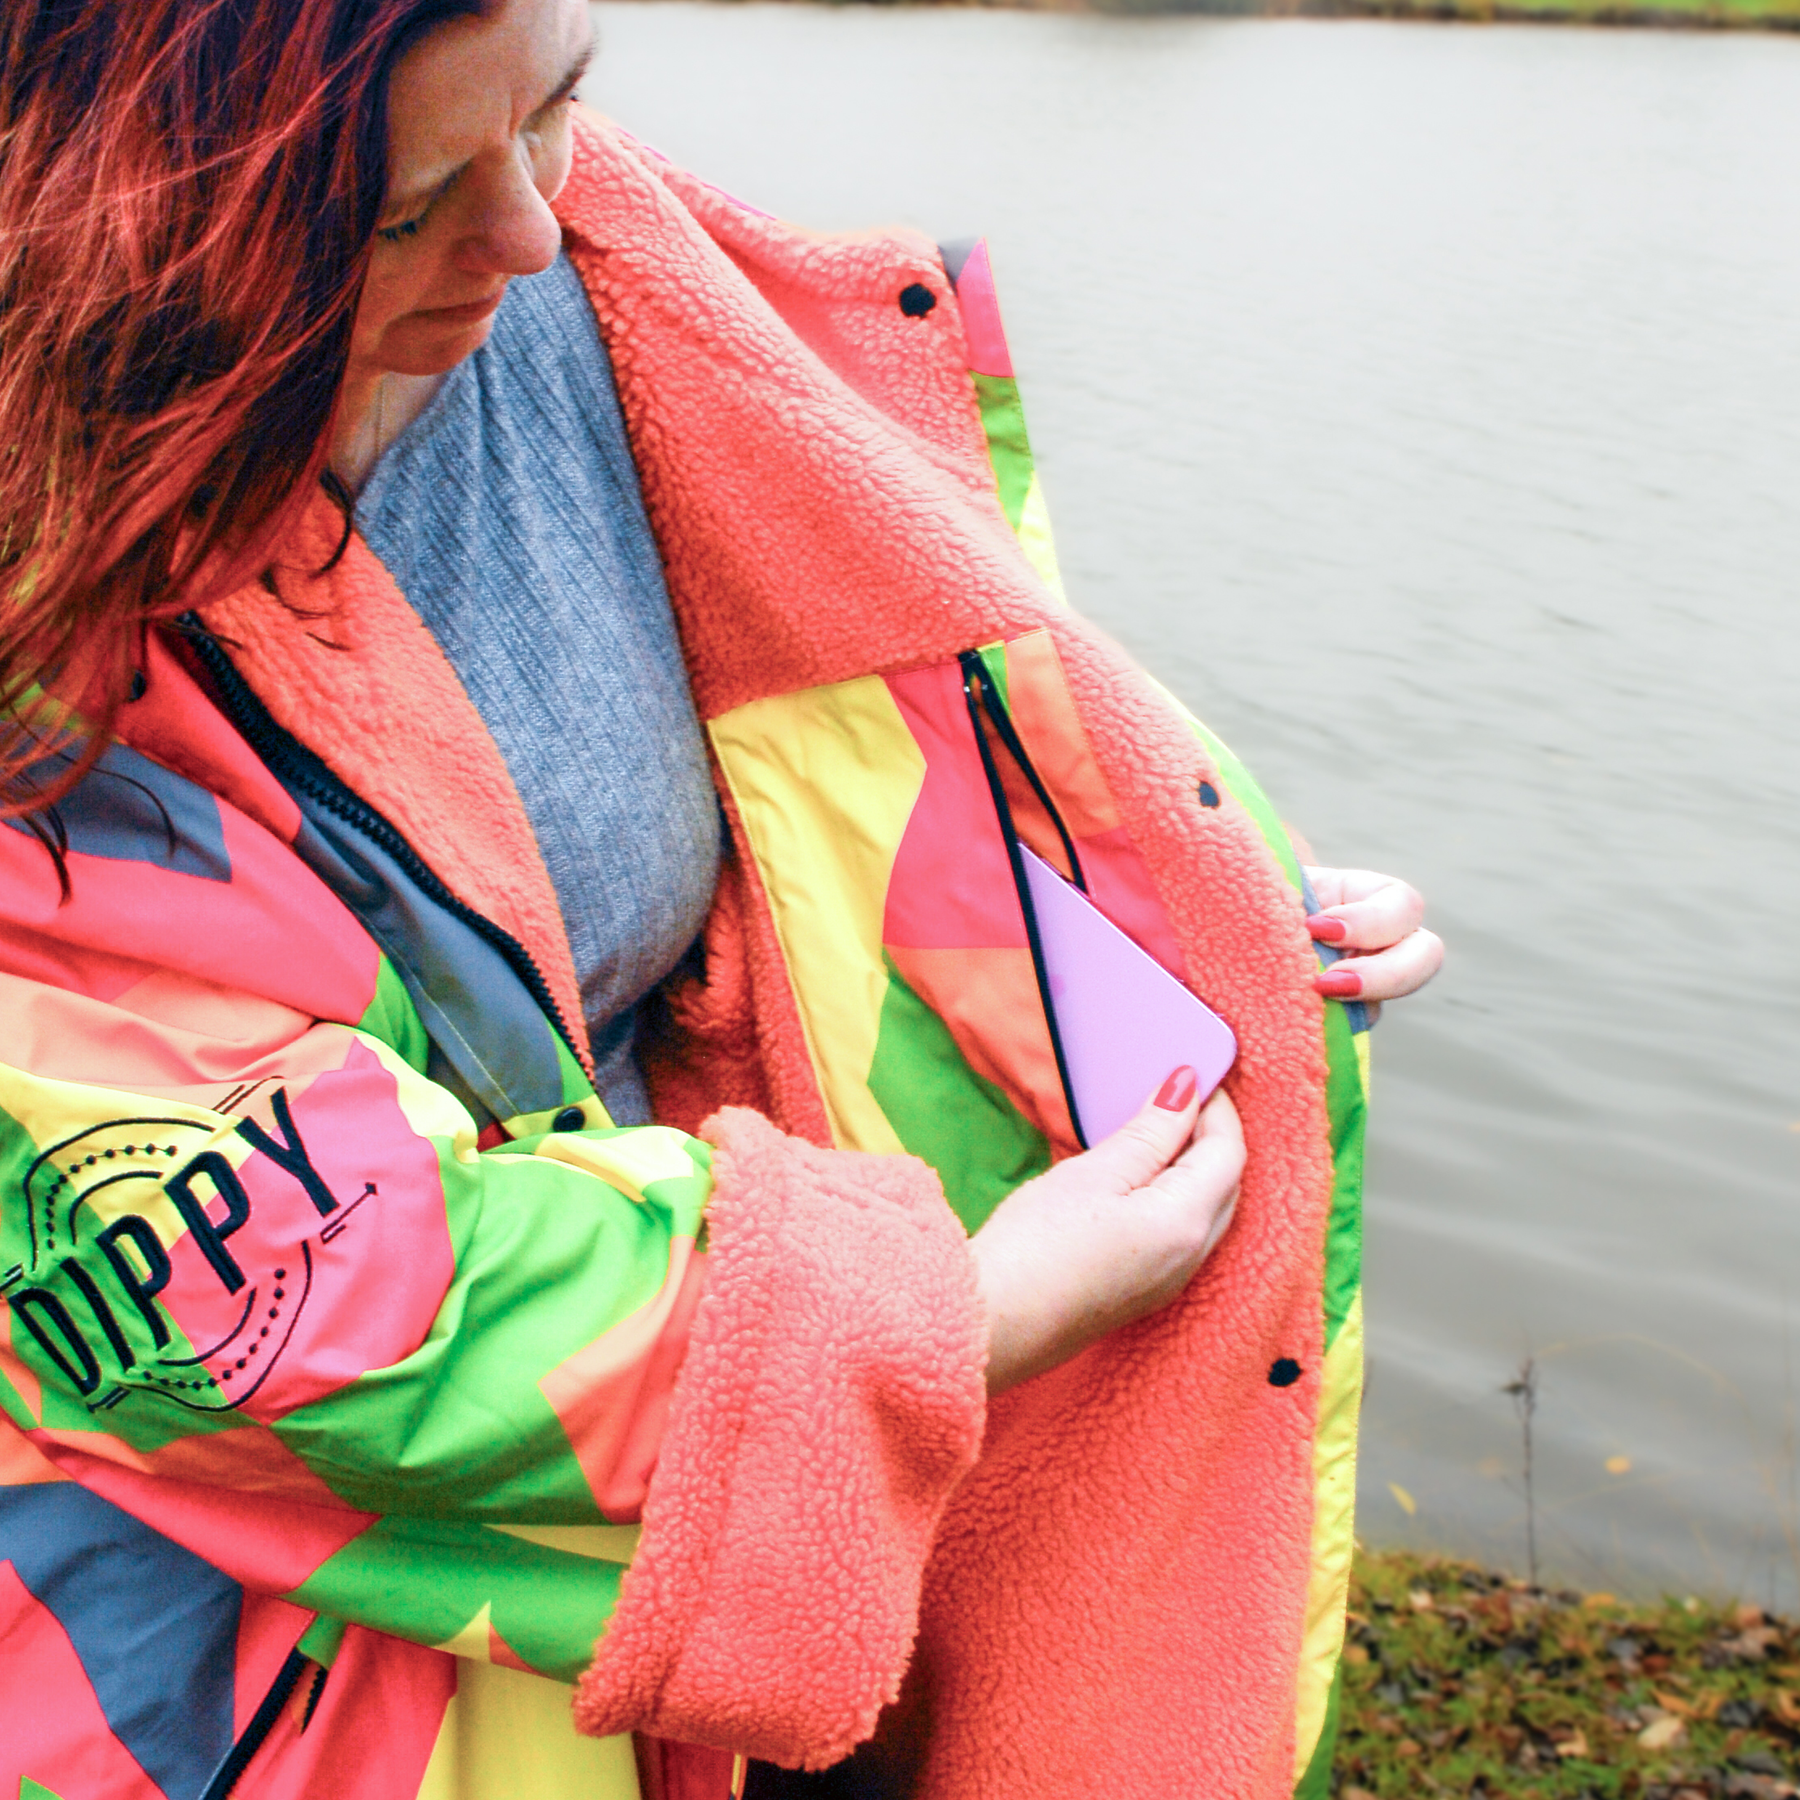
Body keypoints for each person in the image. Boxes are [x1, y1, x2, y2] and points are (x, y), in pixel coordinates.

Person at [0, 2, 1443, 1797]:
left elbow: (821, 787)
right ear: (120, 218)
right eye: (402, 208)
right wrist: (965, 1317)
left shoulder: (601, 279)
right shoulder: (40, 615)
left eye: (558, 104)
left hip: (701, 1579)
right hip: (242, 1686)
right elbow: (268, 1290)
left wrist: (1158, 910)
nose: (527, 232)